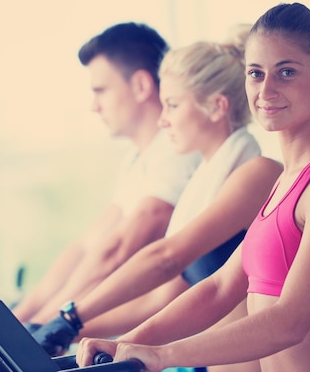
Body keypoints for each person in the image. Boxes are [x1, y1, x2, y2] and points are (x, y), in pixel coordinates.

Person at [76, 2, 310, 372]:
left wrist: (165, 355)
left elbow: (290, 321)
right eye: (256, 74)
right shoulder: (286, 179)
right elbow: (220, 288)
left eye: (286, 72)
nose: (266, 89)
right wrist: (132, 343)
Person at [32, 24, 282, 372]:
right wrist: (69, 333)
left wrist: (70, 317)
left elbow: (166, 257)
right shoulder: (203, 183)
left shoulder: (256, 174)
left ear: (216, 107)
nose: (163, 120)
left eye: (173, 105)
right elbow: (163, 297)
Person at [12, 23, 201, 326]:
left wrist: (48, 324)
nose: (94, 106)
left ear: (140, 86)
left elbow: (116, 251)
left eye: (101, 90)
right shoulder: (138, 161)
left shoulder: (179, 152)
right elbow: (89, 246)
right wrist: (20, 317)